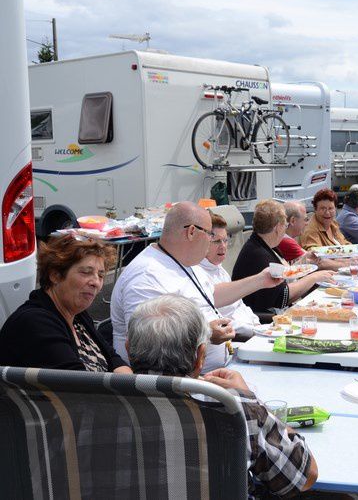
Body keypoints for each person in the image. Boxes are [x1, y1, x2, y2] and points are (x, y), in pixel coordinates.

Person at [125, 294, 318, 498]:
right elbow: (304, 477)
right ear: (200, 356)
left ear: (128, 350)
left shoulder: (94, 403)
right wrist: (251, 400)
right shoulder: (233, 406)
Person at [111, 202, 283, 373]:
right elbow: (148, 342)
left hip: (216, 368)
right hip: (184, 384)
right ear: (192, 232)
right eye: (210, 234)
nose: (211, 241)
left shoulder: (185, 262)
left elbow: (211, 294)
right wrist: (206, 333)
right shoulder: (146, 276)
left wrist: (261, 280)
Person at [0, 235, 131, 373]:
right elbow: (75, 387)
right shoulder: (35, 322)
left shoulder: (77, 315)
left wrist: (125, 384)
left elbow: (115, 359)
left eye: (100, 275)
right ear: (55, 275)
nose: (96, 282)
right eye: (86, 272)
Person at [232, 199, 335, 313]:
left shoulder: (263, 245)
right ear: (277, 227)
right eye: (285, 225)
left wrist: (305, 261)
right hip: (266, 317)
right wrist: (314, 277)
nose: (286, 230)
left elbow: (285, 275)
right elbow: (282, 297)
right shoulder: (259, 255)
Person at [198, 213, 260, 338]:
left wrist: (257, 324)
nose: (223, 246)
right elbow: (220, 320)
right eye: (216, 241)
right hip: (238, 337)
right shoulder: (198, 274)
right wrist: (255, 330)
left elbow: (240, 305)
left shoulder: (219, 269)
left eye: (225, 240)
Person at [279, 201, 346, 271]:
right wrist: (351, 264)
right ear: (292, 221)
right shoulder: (286, 241)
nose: (307, 223)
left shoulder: (333, 224)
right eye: (305, 219)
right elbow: (319, 262)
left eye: (331, 208)